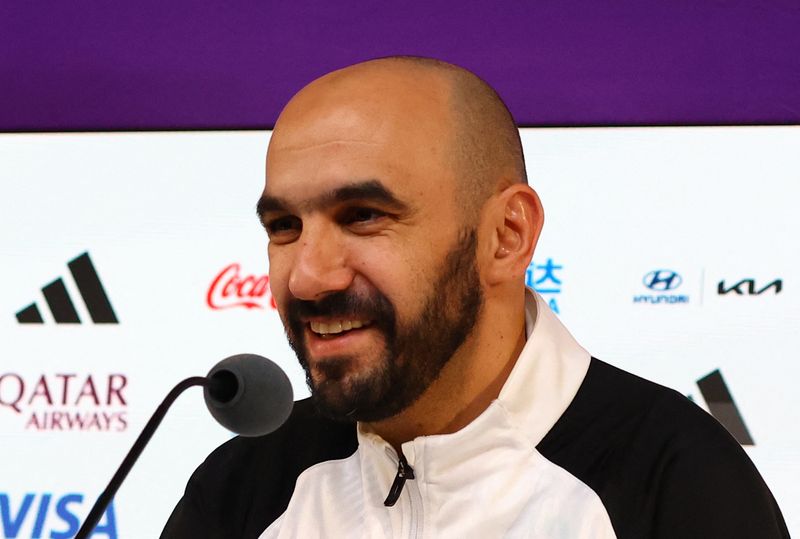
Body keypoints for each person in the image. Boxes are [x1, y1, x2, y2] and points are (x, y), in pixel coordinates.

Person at [162, 57, 788, 538]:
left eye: (363, 217)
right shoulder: (243, 488)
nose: (307, 277)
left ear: (505, 236)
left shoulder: (677, 486)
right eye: (284, 228)